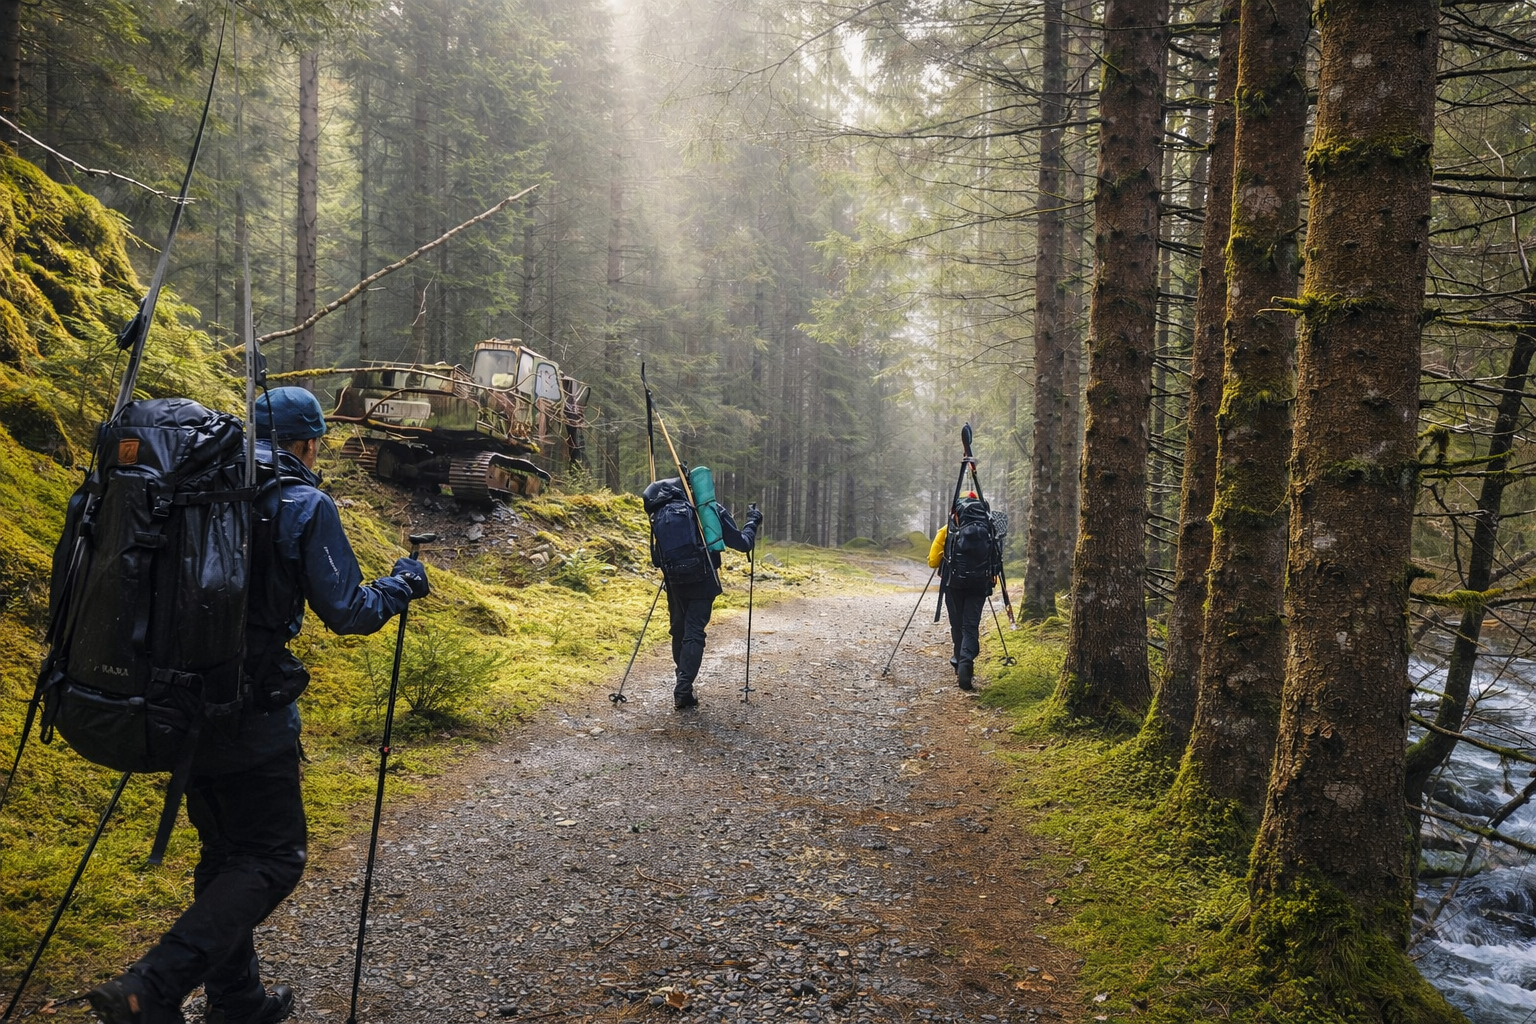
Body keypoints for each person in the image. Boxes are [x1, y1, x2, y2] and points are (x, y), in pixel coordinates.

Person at [87, 388, 431, 1024]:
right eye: (317, 441)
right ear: (305, 441)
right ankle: (152, 985)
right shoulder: (300, 502)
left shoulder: (192, 489)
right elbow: (349, 612)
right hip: (249, 715)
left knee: (224, 856)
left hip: (173, 701)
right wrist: (401, 584)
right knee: (273, 856)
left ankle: (237, 1003)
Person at [641, 478, 761, 710]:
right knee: (694, 633)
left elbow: (657, 555)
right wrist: (753, 522)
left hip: (674, 580)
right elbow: (743, 544)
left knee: (679, 630)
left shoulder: (662, 511)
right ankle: (683, 689)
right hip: (702, 580)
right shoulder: (707, 510)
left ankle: (683, 686)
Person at [928, 491, 999, 692]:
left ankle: (959, 661)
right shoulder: (989, 528)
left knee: (957, 625)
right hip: (979, 585)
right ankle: (966, 662)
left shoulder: (947, 530)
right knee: (970, 625)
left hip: (954, 584)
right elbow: (996, 559)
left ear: (957, 510)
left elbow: (933, 561)